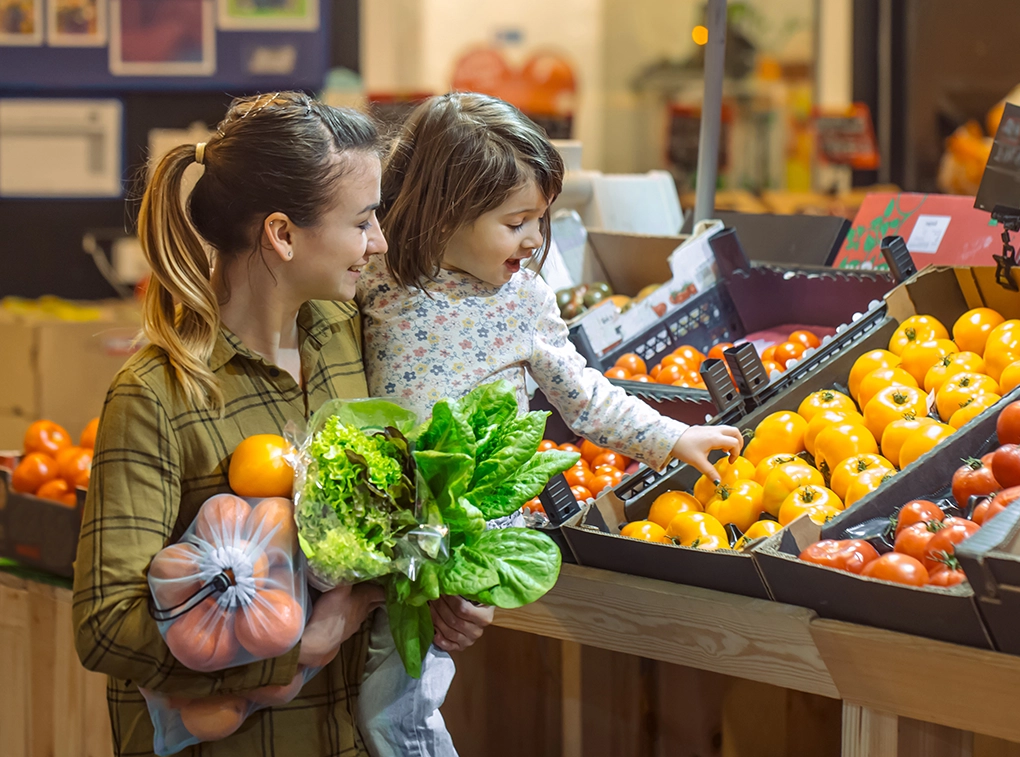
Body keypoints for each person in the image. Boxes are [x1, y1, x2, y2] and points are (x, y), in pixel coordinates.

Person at [70, 91, 491, 757]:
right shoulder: (159, 392)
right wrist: (296, 645)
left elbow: (367, 529)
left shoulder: (347, 334)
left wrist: (433, 588)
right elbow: (105, 625)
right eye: (362, 222)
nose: (378, 242)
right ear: (283, 234)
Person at [355, 91, 745, 757]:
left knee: (394, 705)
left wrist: (671, 437)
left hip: (466, 525)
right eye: (518, 222)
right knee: (367, 687)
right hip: (384, 517)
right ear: (446, 212)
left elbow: (585, 397)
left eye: (542, 218)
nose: (537, 239)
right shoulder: (376, 275)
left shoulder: (523, 300)